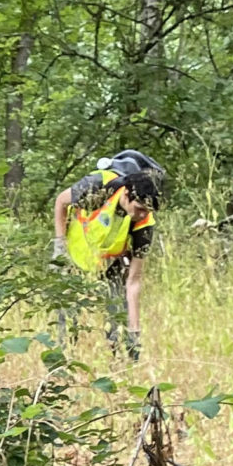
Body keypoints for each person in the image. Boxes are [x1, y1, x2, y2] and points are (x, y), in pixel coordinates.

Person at [52, 153, 161, 359]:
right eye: (139, 209)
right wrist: (59, 245)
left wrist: (134, 330)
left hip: (110, 264)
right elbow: (61, 202)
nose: (142, 215)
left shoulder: (145, 223)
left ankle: (121, 362)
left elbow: (134, 281)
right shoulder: (99, 185)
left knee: (117, 315)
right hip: (72, 257)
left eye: (146, 211)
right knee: (66, 318)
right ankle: (62, 364)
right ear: (127, 194)